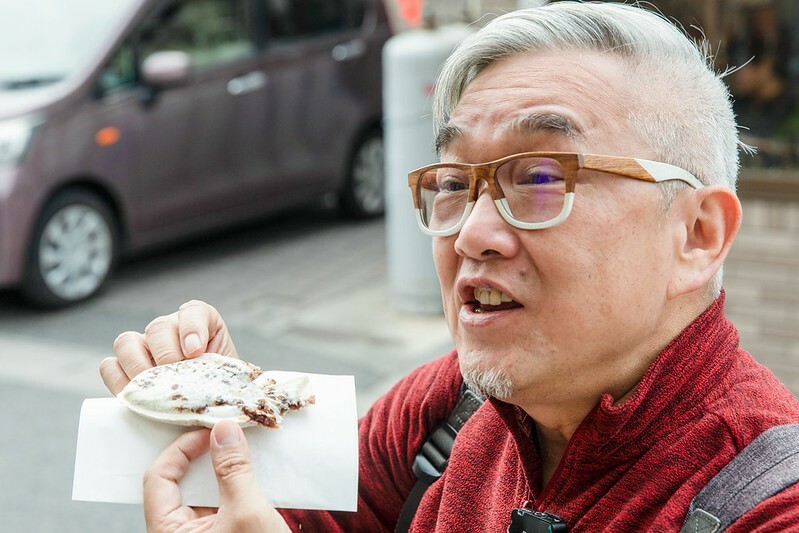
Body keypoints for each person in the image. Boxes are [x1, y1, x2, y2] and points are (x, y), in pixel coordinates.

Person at [99, 2, 799, 531]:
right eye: (455, 183)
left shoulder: (768, 503)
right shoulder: (446, 408)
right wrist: (224, 415)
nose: (472, 234)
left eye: (542, 178)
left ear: (696, 235)